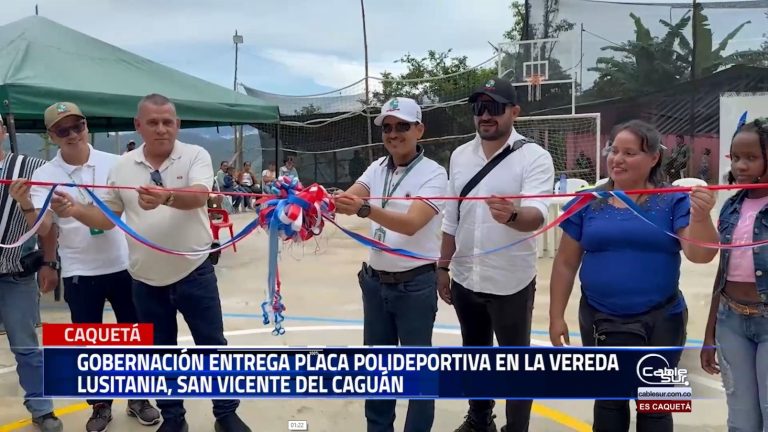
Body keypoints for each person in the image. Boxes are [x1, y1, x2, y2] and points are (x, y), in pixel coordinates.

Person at [50, 94, 250, 432]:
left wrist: (168, 197)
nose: (161, 129)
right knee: (160, 354)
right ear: (138, 126)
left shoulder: (195, 155)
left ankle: (225, 414)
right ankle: (173, 419)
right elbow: (107, 217)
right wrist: (74, 211)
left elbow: (201, 195)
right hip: (145, 281)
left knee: (213, 347)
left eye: (168, 122)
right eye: (153, 122)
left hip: (194, 272)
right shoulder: (123, 166)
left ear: (177, 125)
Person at [549, 120, 718, 432]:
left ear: (653, 158)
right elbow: (564, 263)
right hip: (599, 320)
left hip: (662, 322)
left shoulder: (674, 201)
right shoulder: (588, 202)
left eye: (629, 152)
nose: (618, 159)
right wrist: (556, 315)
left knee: (657, 408)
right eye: (614, 151)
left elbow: (701, 254)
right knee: (609, 403)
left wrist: (702, 216)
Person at [9, 102, 161, 432]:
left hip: (125, 264)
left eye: (77, 126)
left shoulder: (116, 164)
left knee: (133, 336)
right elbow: (44, 228)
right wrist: (25, 205)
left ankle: (139, 399)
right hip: (80, 270)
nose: (73, 135)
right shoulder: (45, 175)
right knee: (88, 343)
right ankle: (101, 405)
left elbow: (132, 211)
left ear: (86, 125)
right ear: (51, 136)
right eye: (63, 131)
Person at [438, 78, 554, 432]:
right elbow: (451, 216)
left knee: (515, 365)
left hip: (511, 282)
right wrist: (442, 267)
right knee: (475, 358)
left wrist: (513, 215)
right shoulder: (460, 155)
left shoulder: (534, 156)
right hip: (465, 278)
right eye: (479, 108)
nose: (485, 115)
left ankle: (516, 428)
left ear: (514, 112)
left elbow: (537, 214)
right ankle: (479, 419)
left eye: (495, 107)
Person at [334, 97, 447, 432]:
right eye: (387, 127)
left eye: (402, 126)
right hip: (375, 283)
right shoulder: (376, 168)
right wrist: (314, 200)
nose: (393, 133)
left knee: (416, 374)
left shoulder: (435, 174)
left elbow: (412, 223)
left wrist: (364, 209)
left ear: (419, 129)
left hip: (415, 286)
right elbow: (349, 198)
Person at [701, 118, 768, 431]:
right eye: (736, 158)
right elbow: (722, 272)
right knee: (741, 417)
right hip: (732, 322)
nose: (741, 165)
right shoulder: (730, 206)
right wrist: (709, 333)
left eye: (751, 158)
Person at [0, 114, 63, 432]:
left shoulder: (31, 169)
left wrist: (49, 263)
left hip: (13, 273)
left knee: (26, 345)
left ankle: (41, 408)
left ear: (1, 130)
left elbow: (47, 224)